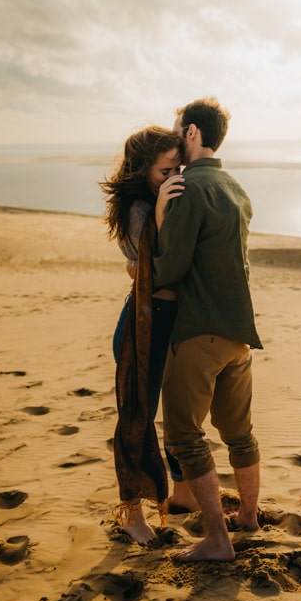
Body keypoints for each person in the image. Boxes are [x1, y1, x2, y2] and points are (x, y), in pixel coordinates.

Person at [153, 98, 263, 562]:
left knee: (181, 436)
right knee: (239, 433)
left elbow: (168, 268)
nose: (174, 138)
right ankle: (249, 519)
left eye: (178, 130)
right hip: (239, 334)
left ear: (193, 133)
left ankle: (218, 539)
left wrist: (159, 218)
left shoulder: (188, 186)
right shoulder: (235, 187)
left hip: (198, 331)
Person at [100, 126, 196, 543]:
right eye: (165, 171)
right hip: (144, 322)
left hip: (165, 317)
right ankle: (133, 515)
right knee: (137, 416)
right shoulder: (138, 207)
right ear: (142, 170)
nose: (173, 177)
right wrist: (159, 212)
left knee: (176, 413)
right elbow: (149, 266)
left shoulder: (158, 196)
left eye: (178, 169)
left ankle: (184, 494)